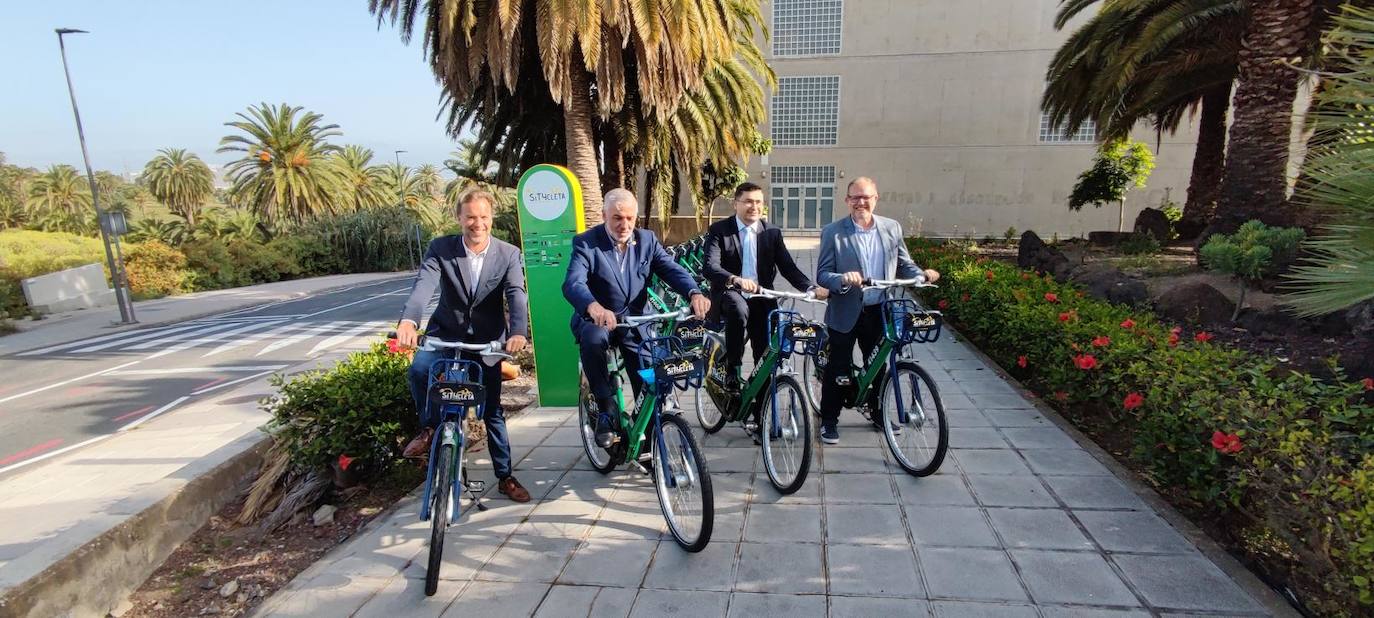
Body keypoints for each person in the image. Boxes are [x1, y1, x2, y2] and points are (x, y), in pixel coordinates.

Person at [397, 189, 532, 503]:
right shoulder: (441, 249)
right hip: (445, 333)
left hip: (487, 341)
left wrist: (517, 331)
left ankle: (505, 476)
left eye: (483, 217)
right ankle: (429, 429)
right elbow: (423, 287)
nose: (477, 223)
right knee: (419, 369)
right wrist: (409, 321)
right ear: (459, 218)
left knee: (492, 411)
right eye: (470, 216)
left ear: (491, 218)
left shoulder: (508, 253)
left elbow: (515, 292)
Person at [563, 188, 710, 448]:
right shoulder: (586, 242)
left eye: (630, 218)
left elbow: (671, 269)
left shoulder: (647, 240)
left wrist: (693, 292)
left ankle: (650, 440)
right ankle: (606, 410)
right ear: (604, 215)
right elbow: (573, 282)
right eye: (618, 218)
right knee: (593, 339)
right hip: (600, 321)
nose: (624, 224)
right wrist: (593, 307)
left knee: (648, 383)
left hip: (636, 323)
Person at [815, 177, 940, 445]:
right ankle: (829, 420)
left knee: (878, 365)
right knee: (838, 368)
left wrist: (921, 275)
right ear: (847, 200)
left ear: (876, 198)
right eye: (855, 197)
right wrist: (842, 279)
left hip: (879, 309)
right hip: (845, 310)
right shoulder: (833, 232)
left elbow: (905, 263)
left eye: (866, 197)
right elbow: (823, 275)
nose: (861, 202)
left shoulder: (891, 228)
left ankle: (877, 412)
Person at [702, 181, 828, 388]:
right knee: (738, 308)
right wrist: (735, 279)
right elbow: (709, 267)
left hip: (762, 295)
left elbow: (788, 267)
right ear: (736, 204)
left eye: (759, 202)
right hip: (730, 293)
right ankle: (732, 368)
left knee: (765, 351)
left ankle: (760, 403)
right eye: (748, 202)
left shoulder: (771, 232)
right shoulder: (720, 230)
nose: (754, 207)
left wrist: (810, 288)